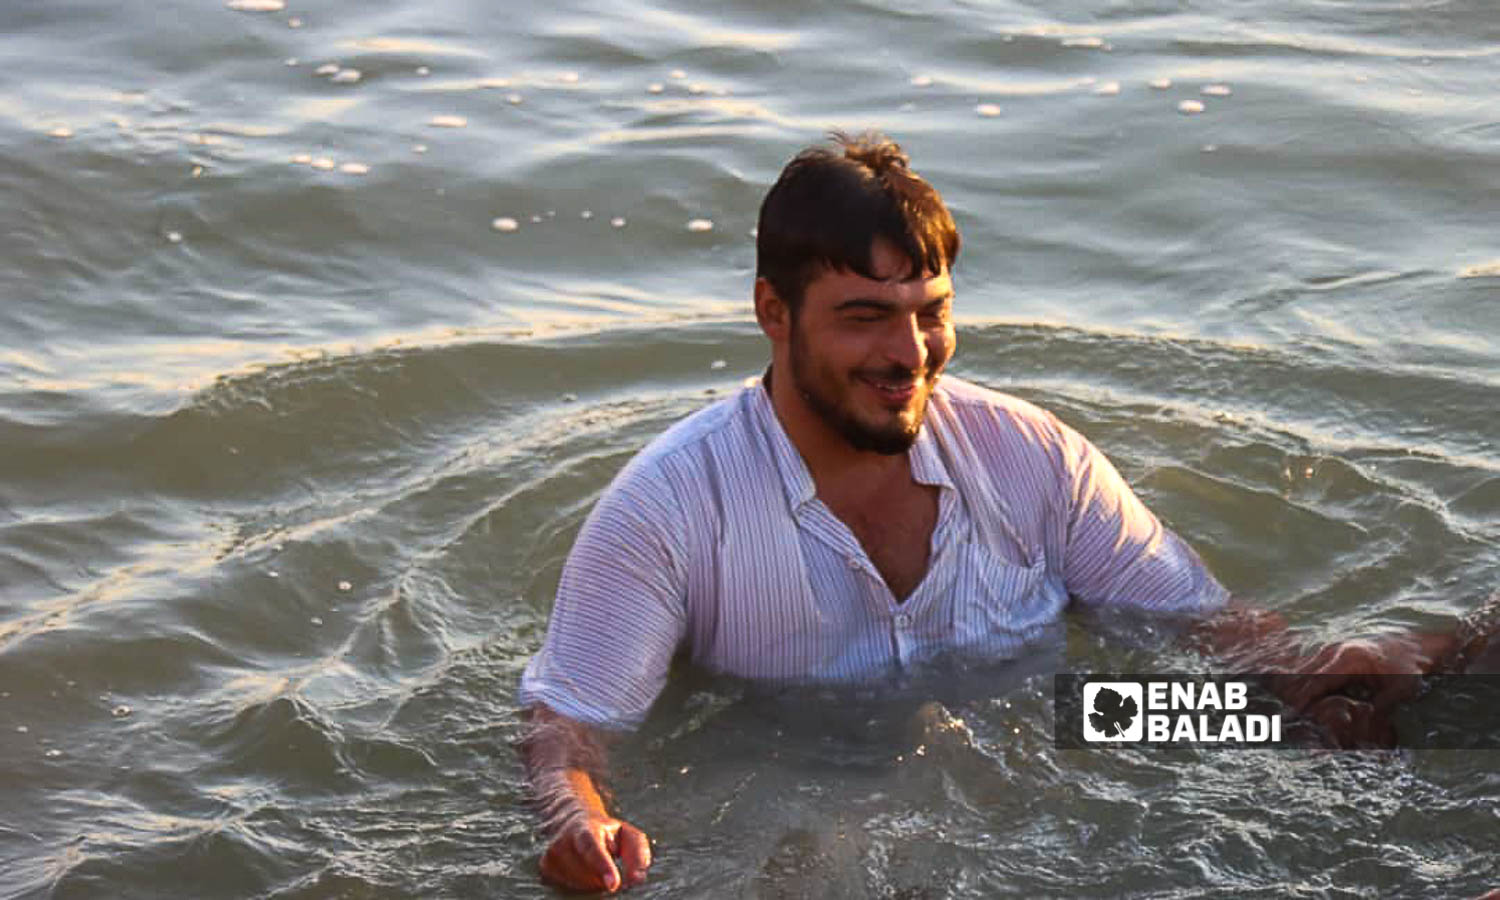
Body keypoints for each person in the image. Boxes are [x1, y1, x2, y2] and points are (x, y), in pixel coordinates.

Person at [515, 132, 1477, 893]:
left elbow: (1206, 632)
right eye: (863, 317)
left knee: (1378, 707)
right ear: (774, 312)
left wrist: (1326, 678)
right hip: (798, 798)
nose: (910, 352)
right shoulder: (669, 505)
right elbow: (569, 730)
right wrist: (579, 825)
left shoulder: (1029, 456)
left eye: (929, 310)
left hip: (1065, 740)